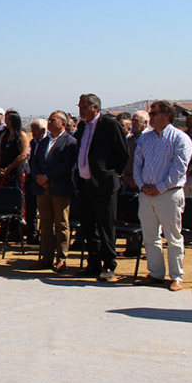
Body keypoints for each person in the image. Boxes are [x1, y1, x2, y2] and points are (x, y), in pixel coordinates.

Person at [133, 100, 192, 291]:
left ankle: (176, 276)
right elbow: (137, 164)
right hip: (146, 194)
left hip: (168, 195)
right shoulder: (145, 138)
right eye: (150, 113)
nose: (150, 116)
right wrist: (142, 185)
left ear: (167, 116)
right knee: (150, 236)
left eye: (154, 113)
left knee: (173, 237)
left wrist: (160, 187)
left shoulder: (180, 139)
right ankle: (156, 273)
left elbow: (179, 169)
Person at [74, 93, 129, 281]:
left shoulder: (110, 125)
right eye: (79, 105)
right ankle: (94, 263)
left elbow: (123, 154)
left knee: (105, 226)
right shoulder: (82, 126)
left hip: (104, 185)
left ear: (95, 108)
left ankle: (109, 265)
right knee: (89, 227)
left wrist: (111, 173)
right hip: (85, 183)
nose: (80, 109)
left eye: (84, 106)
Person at [29, 111, 78, 272]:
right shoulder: (43, 142)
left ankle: (62, 258)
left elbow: (66, 165)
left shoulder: (70, 142)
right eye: (49, 120)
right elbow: (34, 160)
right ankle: (46, 257)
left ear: (63, 123)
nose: (49, 122)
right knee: (46, 223)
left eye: (53, 120)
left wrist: (47, 177)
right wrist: (38, 177)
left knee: (61, 224)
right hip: (42, 188)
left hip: (60, 188)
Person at [0, 110, 30, 190]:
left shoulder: (22, 135)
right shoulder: (3, 135)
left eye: (8, 119)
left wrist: (9, 169)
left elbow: (23, 155)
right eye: (5, 119)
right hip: (3, 170)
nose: (6, 121)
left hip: (16, 171)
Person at [121, 110, 149, 192]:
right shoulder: (130, 139)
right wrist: (126, 176)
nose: (133, 123)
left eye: (136, 120)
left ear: (145, 122)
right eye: (132, 120)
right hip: (128, 181)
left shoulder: (150, 138)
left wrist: (138, 180)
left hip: (144, 183)